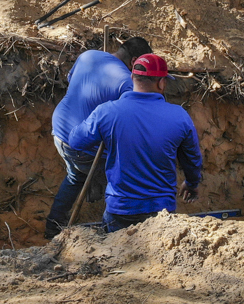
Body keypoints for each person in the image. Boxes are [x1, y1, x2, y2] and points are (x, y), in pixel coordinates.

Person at [68, 53, 202, 232]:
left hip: (120, 209)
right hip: (161, 210)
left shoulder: (107, 112)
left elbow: (76, 141)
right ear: (162, 83)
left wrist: (98, 116)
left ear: (132, 77)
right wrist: (192, 184)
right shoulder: (180, 116)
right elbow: (192, 159)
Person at [45, 37, 152, 238]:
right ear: (134, 61)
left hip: (60, 129)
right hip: (82, 143)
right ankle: (113, 229)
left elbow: (73, 81)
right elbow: (126, 121)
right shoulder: (126, 83)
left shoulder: (88, 55)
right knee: (121, 179)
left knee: (75, 176)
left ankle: (53, 225)